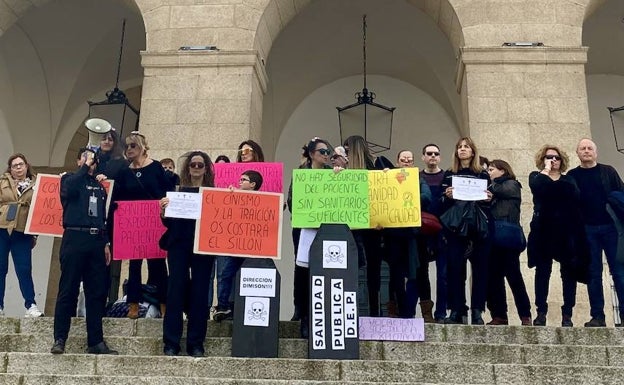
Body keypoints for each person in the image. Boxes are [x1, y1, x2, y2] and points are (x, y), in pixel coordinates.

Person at [51, 148, 117, 355]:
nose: (90, 161)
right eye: (85, 157)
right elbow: (68, 191)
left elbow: (101, 217)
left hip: (96, 240)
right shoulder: (70, 179)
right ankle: (60, 338)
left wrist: (105, 242)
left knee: (96, 293)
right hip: (74, 238)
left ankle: (95, 341)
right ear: (79, 160)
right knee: (68, 289)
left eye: (93, 159)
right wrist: (85, 167)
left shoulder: (99, 187)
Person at [159, 151, 216, 357]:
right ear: (188, 167)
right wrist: (163, 211)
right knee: (175, 291)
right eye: (193, 164)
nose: (197, 168)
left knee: (200, 294)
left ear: (207, 168)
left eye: (201, 165)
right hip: (178, 245)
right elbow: (168, 222)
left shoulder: (214, 193)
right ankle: (171, 342)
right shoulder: (176, 191)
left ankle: (196, 343)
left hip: (203, 248)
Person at [528, 145, 587, 327]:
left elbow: (574, 196)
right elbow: (537, 188)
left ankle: (567, 313)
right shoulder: (536, 176)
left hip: (566, 231)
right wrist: (545, 171)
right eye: (548, 157)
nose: (553, 160)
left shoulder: (569, 180)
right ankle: (541, 311)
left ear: (562, 161)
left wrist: (552, 189)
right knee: (542, 271)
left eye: (556, 158)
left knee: (568, 273)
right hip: (543, 230)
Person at [114, 132, 172, 319]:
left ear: (142, 147)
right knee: (134, 265)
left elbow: (166, 190)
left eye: (133, 146)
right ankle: (133, 303)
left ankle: (163, 302)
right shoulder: (124, 171)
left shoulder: (155, 167)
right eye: (127, 146)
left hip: (154, 222)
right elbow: (119, 196)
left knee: (158, 264)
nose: (129, 149)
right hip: (133, 225)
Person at [567, 138, 624, 327]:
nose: (586, 151)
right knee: (593, 274)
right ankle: (598, 316)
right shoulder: (573, 175)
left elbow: (621, 195)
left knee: (619, 272)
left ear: (595, 152)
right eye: (582, 148)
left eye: (589, 148)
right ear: (577, 153)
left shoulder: (608, 171)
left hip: (610, 228)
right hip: (587, 230)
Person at [440, 137, 491, 325]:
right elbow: (441, 204)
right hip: (455, 229)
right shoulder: (449, 174)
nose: (463, 150)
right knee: (455, 270)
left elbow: (490, 203)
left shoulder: (482, 175)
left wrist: (488, 199)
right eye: (460, 147)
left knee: (479, 271)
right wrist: (447, 196)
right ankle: (456, 310)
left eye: (466, 147)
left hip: (478, 229)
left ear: (473, 151)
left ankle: (477, 311)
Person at [213, 140, 265, 321]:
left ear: (253, 184)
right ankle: (223, 306)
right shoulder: (232, 194)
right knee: (226, 273)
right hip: (234, 243)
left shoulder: (263, 199)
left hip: (254, 245)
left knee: (252, 275)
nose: (239, 181)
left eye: (243, 180)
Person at [286, 137, 332, 336]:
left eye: (328, 151)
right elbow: (292, 200)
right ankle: (303, 313)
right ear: (312, 154)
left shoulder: (332, 174)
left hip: (326, 230)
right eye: (322, 151)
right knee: (302, 270)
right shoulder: (301, 175)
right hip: (305, 229)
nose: (326, 155)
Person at [342, 135, 392, 316]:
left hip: (373, 227)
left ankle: (374, 311)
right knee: (353, 266)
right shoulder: (343, 171)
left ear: (354, 149)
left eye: (347, 150)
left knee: (373, 267)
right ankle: (351, 310)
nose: (346, 154)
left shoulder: (378, 166)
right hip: (352, 227)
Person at [384, 149, 432, 318]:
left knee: (418, 272)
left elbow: (427, 197)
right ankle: (394, 309)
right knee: (394, 273)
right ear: (397, 162)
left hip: (412, 235)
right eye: (403, 159)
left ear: (413, 163)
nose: (406, 162)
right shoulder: (388, 177)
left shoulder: (419, 179)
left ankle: (425, 313)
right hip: (393, 234)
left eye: (409, 160)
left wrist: (407, 195)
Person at [485, 159, 532, 326]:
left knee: (514, 276)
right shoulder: (495, 189)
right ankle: (499, 314)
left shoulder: (512, 184)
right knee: (494, 277)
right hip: (493, 238)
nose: (489, 173)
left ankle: (525, 314)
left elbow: (501, 191)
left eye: (491, 170)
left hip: (507, 238)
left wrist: (488, 187)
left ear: (502, 171)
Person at [0, 154, 43, 317]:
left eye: (20, 164)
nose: (18, 168)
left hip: (22, 230)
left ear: (26, 166)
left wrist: (35, 234)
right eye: (14, 165)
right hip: (2, 228)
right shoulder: (2, 182)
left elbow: (41, 209)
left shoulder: (37, 183)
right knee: (0, 268)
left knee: (24, 269)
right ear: (10, 169)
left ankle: (30, 305)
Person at [93, 129, 128, 307]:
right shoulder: (92, 160)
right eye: (103, 138)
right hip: (90, 218)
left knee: (108, 259)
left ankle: (107, 298)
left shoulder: (120, 163)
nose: (106, 141)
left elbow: (123, 187)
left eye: (110, 139)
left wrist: (108, 180)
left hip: (111, 216)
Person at [419, 144, 447, 323]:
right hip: (422, 229)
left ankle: (442, 313)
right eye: (429, 154)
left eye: (436, 153)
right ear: (423, 157)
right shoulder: (417, 177)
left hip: (444, 230)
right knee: (421, 271)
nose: (433, 156)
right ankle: (425, 313)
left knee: (443, 273)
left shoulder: (447, 177)